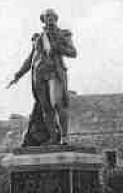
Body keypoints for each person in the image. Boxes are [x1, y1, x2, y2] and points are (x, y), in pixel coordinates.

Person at [7, 8, 77, 146]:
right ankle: (52, 137)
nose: (50, 19)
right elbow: (31, 59)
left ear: (56, 19)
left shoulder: (64, 35)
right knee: (46, 109)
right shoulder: (39, 38)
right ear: (43, 20)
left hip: (54, 73)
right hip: (38, 75)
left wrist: (57, 47)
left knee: (57, 103)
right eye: (47, 17)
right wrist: (18, 75)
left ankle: (65, 137)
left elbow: (73, 52)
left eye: (52, 17)